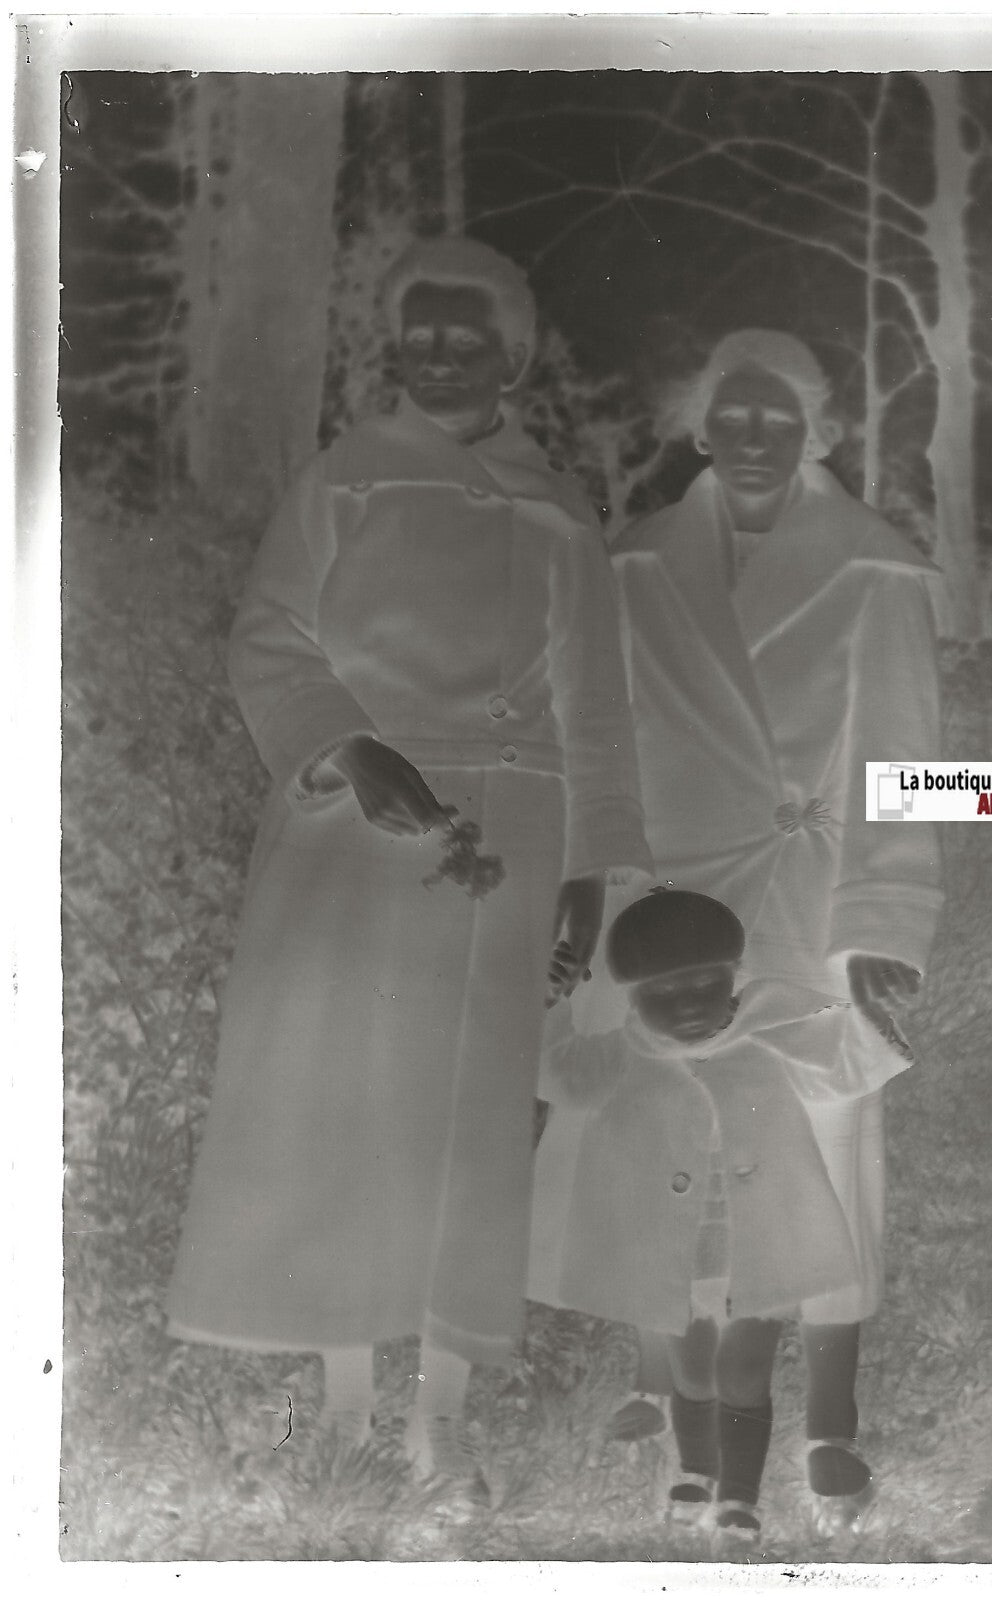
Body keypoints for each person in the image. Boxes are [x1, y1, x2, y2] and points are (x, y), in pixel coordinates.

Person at [165, 236, 652, 1509]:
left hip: (508, 839)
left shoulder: (558, 511)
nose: (441, 353)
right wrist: (346, 745)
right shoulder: (344, 481)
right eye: (420, 332)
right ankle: (344, 1419)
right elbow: (267, 636)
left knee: (468, 1127)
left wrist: (592, 875)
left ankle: (437, 1431)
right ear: (395, 346)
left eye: (467, 334)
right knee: (348, 1113)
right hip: (349, 829)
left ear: (513, 352)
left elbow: (598, 710)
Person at [575, 328, 944, 1534]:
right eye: (728, 418)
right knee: (652, 1127)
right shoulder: (630, 563)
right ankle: (657, 1378)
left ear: (816, 435)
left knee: (825, 1155)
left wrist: (880, 916)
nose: (749, 439)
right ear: (696, 428)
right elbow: (604, 731)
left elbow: (903, 759)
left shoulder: (875, 568)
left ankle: (830, 1419)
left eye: (775, 420)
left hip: (805, 894)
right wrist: (603, 878)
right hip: (670, 892)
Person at [535, 888, 911, 1549]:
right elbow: (562, 1078)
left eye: (706, 984)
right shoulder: (623, 1054)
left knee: (742, 1372)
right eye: (661, 992)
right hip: (674, 1253)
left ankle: (738, 1494)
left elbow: (846, 1069)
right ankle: (695, 1471)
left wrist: (870, 1011)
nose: (686, 1002)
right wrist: (552, 1004)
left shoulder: (772, 1036)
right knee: (693, 1369)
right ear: (629, 998)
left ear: (733, 980)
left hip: (759, 1248)